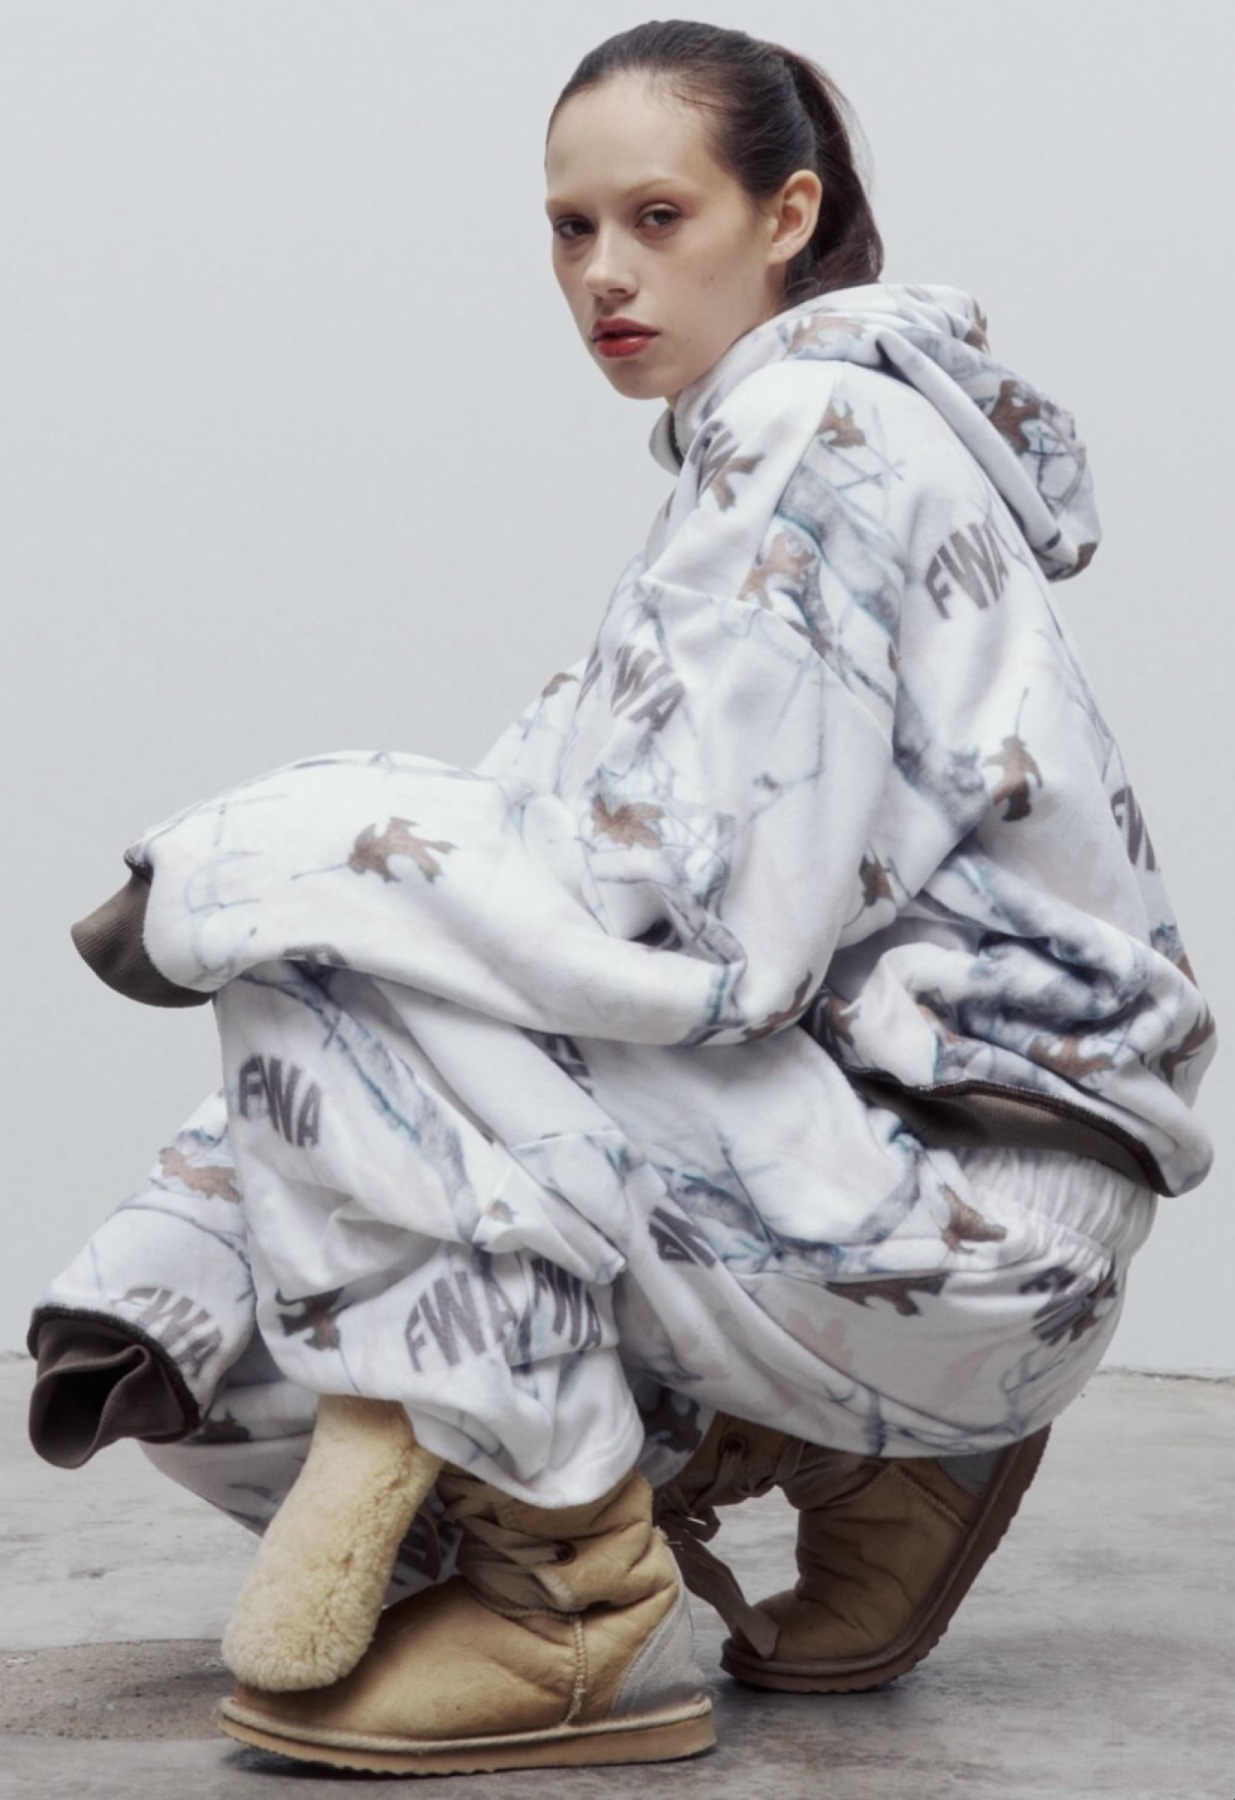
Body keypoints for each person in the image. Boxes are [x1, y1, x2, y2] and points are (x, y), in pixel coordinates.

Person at [28, 17, 1214, 1779]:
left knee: (322, 966)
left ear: (786, 214)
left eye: (660, 217)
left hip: (969, 1205)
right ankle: (856, 1458)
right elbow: (581, 846)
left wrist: (256, 856)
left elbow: (703, 941)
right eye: (570, 229)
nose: (604, 273)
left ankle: (577, 1609)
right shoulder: (766, 446)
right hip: (893, 1177)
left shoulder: (812, 437)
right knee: (274, 1229)